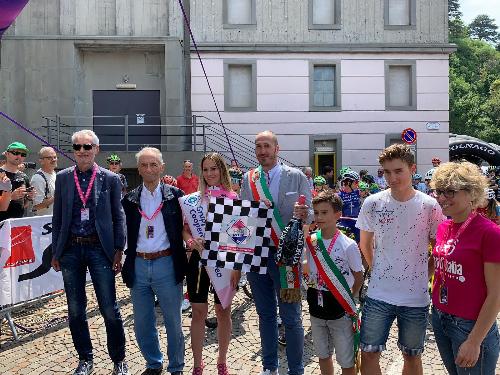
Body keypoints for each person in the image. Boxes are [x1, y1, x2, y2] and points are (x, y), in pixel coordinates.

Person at [355, 143, 445, 375]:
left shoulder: (429, 205)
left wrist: (426, 275)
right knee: (368, 352)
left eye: (398, 171)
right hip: (378, 293)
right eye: (386, 172)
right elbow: (365, 244)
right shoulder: (372, 203)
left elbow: (438, 248)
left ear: (412, 169)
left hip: (415, 297)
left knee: (412, 356)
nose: (392, 177)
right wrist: (377, 269)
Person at [51, 130, 128, 375]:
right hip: (71, 249)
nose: (82, 151)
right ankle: (85, 359)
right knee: (75, 309)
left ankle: (119, 359)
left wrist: (118, 249)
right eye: (77, 147)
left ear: (96, 149)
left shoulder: (110, 179)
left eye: (87, 146)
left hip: (99, 248)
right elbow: (58, 216)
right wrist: (56, 251)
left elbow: (119, 216)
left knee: (109, 307)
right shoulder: (63, 178)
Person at [240, 130, 312, 375]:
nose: (262, 151)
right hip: (256, 257)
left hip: (287, 258)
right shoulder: (248, 179)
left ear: (277, 149)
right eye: (258, 146)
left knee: (291, 317)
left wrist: (304, 214)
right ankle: (269, 366)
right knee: (265, 315)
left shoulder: (297, 176)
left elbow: (311, 213)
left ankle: (296, 369)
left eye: (267, 146)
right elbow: (242, 220)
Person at [121, 147, 186, 375]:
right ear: (138, 169)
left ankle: (176, 366)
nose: (149, 169)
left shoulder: (176, 197)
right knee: (142, 322)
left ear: (162, 167)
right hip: (138, 264)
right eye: (144, 165)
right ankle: (153, 362)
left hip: (167, 263)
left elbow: (187, 228)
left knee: (173, 321)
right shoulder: (129, 200)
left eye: (153, 164)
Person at [430, 161, 500, 374]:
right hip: (440, 316)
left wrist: (474, 341)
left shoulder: (490, 233)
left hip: (470, 324)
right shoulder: (443, 227)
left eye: (450, 192)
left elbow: (497, 293)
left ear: (471, 193)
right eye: (439, 191)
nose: (442, 198)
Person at [182, 152, 240, 375]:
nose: (209, 173)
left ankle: (221, 361)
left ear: (221, 170)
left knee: (223, 310)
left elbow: (240, 236)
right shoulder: (194, 199)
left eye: (213, 169)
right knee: (198, 312)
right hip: (198, 259)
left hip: (224, 260)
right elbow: (185, 228)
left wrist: (237, 268)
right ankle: (197, 364)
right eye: (205, 169)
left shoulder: (233, 198)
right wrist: (189, 240)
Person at [303, 192, 364, 375]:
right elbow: (307, 269)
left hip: (340, 310)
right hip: (316, 308)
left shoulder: (348, 245)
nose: (319, 217)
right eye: (316, 212)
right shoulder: (311, 241)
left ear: (337, 214)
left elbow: (358, 276)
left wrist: (348, 299)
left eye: (324, 212)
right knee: (322, 355)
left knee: (346, 361)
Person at [0, 142, 35, 222]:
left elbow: (23, 205)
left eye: (23, 154)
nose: (19, 156)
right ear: (7, 154)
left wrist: (29, 197)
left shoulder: (23, 176)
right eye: (15, 153)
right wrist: (10, 197)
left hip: (17, 224)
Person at [31, 147, 57, 215]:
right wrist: (58, 195)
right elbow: (37, 206)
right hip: (44, 222)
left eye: (55, 157)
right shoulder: (38, 179)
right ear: (41, 160)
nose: (53, 160)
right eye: (49, 158)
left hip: (55, 220)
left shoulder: (54, 173)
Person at [338, 170, 362, 243]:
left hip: (357, 222)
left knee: (360, 243)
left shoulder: (358, 192)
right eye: (356, 182)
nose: (358, 185)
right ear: (349, 182)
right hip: (345, 222)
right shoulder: (339, 195)